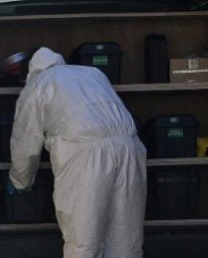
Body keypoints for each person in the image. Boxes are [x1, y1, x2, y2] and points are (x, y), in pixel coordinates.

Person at [9, 47, 147, 258]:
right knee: (125, 239)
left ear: (28, 73)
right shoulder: (93, 73)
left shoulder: (38, 85)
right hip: (129, 148)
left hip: (84, 154)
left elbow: (26, 143)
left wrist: (20, 181)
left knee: (84, 241)